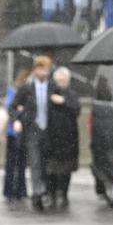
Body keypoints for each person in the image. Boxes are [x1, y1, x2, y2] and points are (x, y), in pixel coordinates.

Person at [10, 56, 54, 211]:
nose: (43, 72)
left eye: (46, 69)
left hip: (49, 131)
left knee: (46, 164)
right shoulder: (27, 88)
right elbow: (14, 106)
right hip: (32, 130)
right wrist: (16, 120)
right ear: (35, 70)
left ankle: (48, 191)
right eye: (40, 68)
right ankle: (37, 193)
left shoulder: (53, 87)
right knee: (35, 162)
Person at [42, 66, 81, 210]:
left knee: (66, 171)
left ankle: (63, 194)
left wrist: (63, 101)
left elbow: (77, 109)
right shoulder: (49, 94)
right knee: (51, 170)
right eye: (59, 80)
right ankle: (50, 194)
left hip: (68, 139)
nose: (61, 83)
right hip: (52, 138)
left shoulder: (72, 95)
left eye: (64, 81)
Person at [3, 69, 30, 205]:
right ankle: (10, 190)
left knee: (21, 163)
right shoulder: (14, 91)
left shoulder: (18, 91)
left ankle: (20, 189)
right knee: (13, 163)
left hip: (22, 133)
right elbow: (10, 108)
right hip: (13, 132)